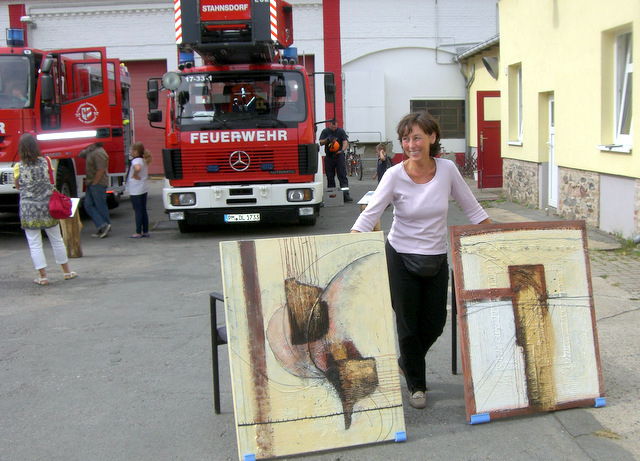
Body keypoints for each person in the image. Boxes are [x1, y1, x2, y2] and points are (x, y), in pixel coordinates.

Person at [351, 112, 490, 409]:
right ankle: (417, 385)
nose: (411, 144)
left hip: (436, 258)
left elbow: (473, 209)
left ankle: (406, 361)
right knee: (408, 325)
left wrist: (500, 240)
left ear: (432, 138)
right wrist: (346, 245)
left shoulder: (448, 170)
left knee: (436, 323)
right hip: (400, 257)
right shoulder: (394, 175)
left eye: (417, 137)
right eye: (406, 139)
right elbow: (369, 215)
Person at [13, 133, 78, 285]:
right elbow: (50, 180)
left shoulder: (18, 166)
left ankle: (43, 277)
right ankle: (66, 272)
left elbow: (18, 185)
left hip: (28, 209)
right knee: (56, 239)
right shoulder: (46, 161)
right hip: (47, 206)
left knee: (35, 243)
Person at [79, 142, 111, 238]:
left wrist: (95, 183)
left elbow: (100, 170)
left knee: (100, 205)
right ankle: (102, 226)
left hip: (98, 183)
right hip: (92, 182)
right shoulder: (91, 150)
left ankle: (103, 226)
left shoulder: (99, 153)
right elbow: (81, 153)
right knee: (88, 205)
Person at [319, 119, 353, 202]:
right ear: (329, 124)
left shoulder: (341, 131)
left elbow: (345, 142)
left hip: (339, 157)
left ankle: (345, 195)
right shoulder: (325, 131)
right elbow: (321, 142)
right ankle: (332, 195)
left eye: (335, 126)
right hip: (329, 157)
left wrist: (342, 150)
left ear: (337, 124)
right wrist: (327, 140)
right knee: (330, 177)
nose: (333, 128)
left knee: (342, 176)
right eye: (332, 126)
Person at [127, 142, 152, 238]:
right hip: (143, 188)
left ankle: (138, 232)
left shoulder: (135, 161)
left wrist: (134, 174)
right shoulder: (143, 160)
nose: (130, 151)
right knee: (143, 210)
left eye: (131, 149)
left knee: (137, 210)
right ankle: (145, 231)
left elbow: (137, 168)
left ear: (136, 151)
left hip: (136, 189)